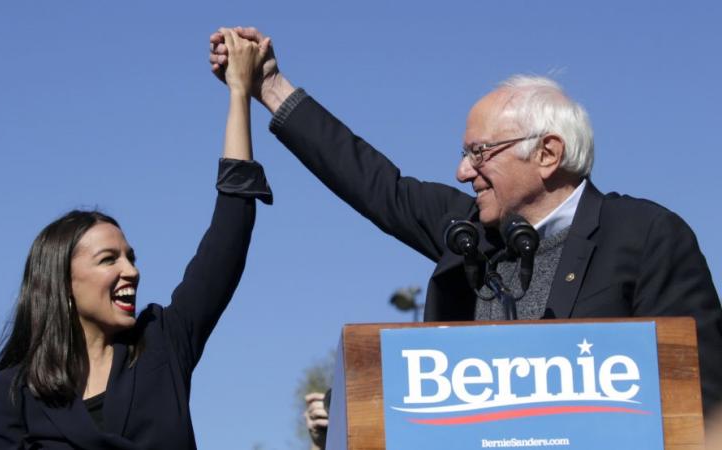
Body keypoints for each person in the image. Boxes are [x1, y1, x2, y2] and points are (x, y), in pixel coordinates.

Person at [209, 28, 722, 418]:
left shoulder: (646, 235)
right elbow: (372, 181)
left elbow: (702, 395)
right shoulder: (467, 231)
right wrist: (270, 86)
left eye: (480, 153)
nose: (462, 172)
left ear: (547, 153)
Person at [0, 29, 272, 449]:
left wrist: (239, 93)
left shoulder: (164, 343)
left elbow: (230, 230)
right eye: (108, 260)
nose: (131, 271)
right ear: (62, 284)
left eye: (130, 257)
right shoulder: (13, 394)